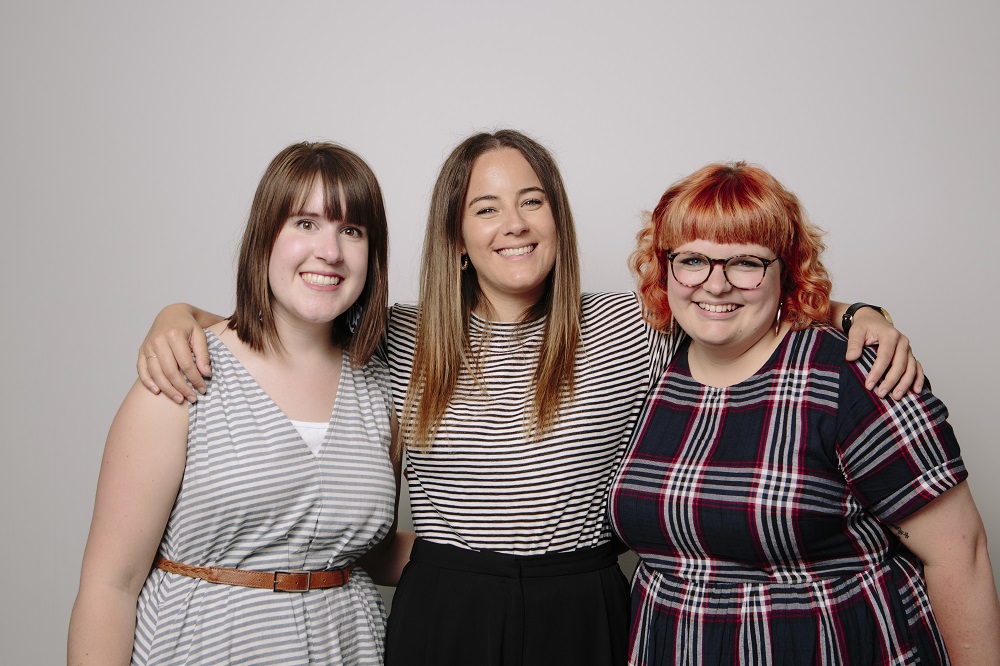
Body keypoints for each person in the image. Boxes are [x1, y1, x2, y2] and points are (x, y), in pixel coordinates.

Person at [134, 131, 920, 666]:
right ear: (457, 238)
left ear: (558, 218)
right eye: (486, 208)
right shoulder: (399, 337)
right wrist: (182, 317)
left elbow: (742, 305)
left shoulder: (628, 324)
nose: (513, 224)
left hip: (581, 603)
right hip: (444, 606)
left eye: (532, 201)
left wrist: (861, 314)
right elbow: (283, 319)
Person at [610, 161, 1000, 665]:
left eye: (746, 263)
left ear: (785, 270)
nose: (715, 284)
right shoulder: (650, 362)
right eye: (692, 260)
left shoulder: (851, 374)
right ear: (665, 267)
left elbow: (958, 554)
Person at [68, 142, 409, 665]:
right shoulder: (183, 370)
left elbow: (356, 543)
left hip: (350, 646)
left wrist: (511, 560)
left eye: (352, 230)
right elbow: (110, 585)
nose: (331, 251)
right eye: (305, 223)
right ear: (264, 237)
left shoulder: (379, 383)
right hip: (205, 647)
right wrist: (175, 313)